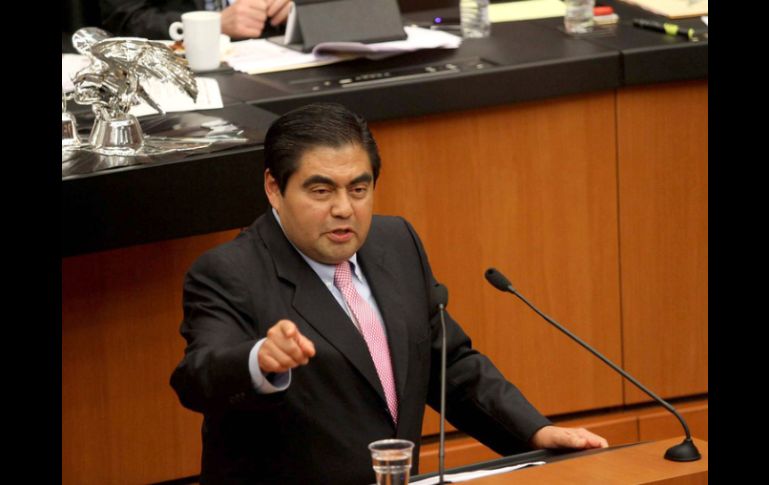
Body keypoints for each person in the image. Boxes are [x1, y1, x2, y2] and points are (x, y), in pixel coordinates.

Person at [170, 103, 608, 484]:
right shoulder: (229, 272)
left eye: (358, 189)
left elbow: (448, 364)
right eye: (321, 191)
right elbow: (196, 378)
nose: (344, 208)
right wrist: (258, 360)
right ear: (274, 187)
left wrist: (534, 433)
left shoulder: (396, 243)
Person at [99, 0, 292, 40]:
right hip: (179, 67)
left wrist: (298, 7)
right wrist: (210, 24)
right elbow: (125, 19)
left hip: (275, 54)